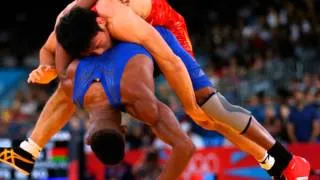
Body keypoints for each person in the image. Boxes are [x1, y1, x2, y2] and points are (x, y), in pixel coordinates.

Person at [1, 37, 196, 179]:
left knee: (202, 106)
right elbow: (57, 40)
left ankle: (30, 149)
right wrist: (45, 64)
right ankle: (30, 148)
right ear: (87, 138)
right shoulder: (70, 82)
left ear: (124, 130)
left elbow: (185, 147)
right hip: (115, 30)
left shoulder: (141, 102)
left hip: (134, 28)